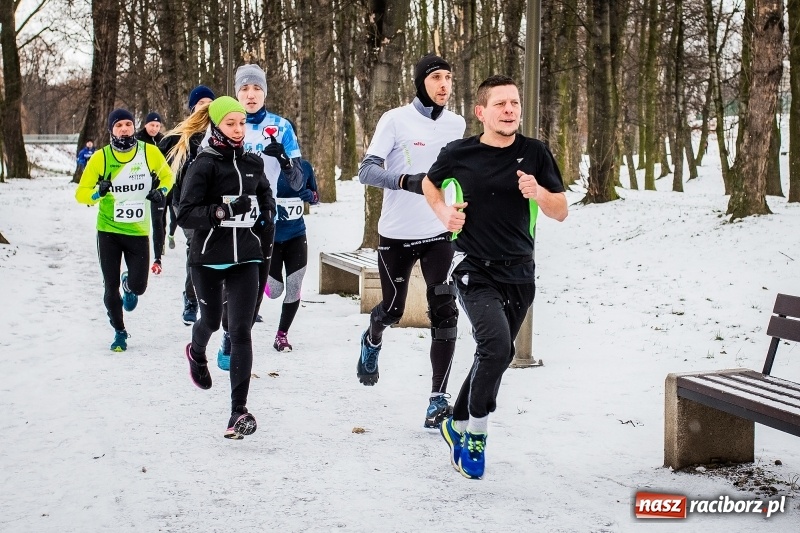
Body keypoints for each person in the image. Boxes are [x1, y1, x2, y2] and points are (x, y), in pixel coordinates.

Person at [422, 74, 568, 479]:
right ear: (481, 112)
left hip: (520, 271)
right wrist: (443, 213)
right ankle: (475, 435)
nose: (509, 111)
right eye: (501, 104)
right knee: (497, 344)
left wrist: (538, 192)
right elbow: (429, 184)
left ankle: (454, 420)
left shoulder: (536, 153)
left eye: (515, 104)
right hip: (472, 266)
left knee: (497, 354)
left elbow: (560, 210)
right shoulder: (458, 153)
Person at [356, 53, 466, 429]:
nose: (444, 85)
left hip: (439, 233)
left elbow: (461, 175)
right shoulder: (395, 119)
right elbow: (366, 171)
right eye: (437, 77)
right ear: (422, 83)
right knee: (393, 310)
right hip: (397, 234)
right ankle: (372, 338)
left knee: (444, 309)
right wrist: (406, 181)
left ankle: (438, 399)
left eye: (449, 77)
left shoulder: (457, 124)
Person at [173, 96, 275, 439]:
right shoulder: (203, 165)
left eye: (242, 123)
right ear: (216, 125)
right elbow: (184, 213)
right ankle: (196, 351)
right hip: (207, 258)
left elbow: (264, 193)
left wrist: (267, 216)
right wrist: (222, 212)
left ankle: (238, 411)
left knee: (241, 331)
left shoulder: (252, 162)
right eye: (230, 123)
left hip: (245, 257)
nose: (237, 129)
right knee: (212, 322)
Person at [216, 64, 307, 370]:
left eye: (256, 89)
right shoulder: (223, 124)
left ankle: (238, 331)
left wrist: (283, 157)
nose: (251, 95)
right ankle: (229, 335)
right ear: (236, 92)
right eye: (244, 89)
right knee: (232, 281)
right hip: (232, 216)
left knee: (255, 290)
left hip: (265, 217)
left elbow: (298, 183)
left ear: (265, 93)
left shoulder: (281, 127)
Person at [74, 109, 174, 351]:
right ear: (111, 130)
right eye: (119, 125)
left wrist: (160, 192)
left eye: (128, 124)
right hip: (108, 230)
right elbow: (81, 195)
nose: (125, 129)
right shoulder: (101, 158)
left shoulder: (149, 152)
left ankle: (129, 284)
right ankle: (119, 331)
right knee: (110, 287)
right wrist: (99, 191)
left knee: (139, 286)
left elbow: (168, 177)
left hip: (138, 231)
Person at [159, 85, 216, 325]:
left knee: (221, 249)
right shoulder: (178, 138)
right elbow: (158, 167)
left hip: (215, 203)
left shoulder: (222, 132)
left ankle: (232, 301)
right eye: (200, 104)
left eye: (209, 103)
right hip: (186, 203)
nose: (205, 108)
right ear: (192, 108)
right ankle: (191, 299)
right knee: (197, 246)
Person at [266, 156, 319, 352]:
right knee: (275, 291)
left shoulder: (304, 166)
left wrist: (310, 196)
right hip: (269, 238)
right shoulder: (264, 164)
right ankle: (260, 281)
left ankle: (282, 335)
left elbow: (315, 196)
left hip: (296, 235)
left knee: (294, 287)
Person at [135, 112, 167, 275]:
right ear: (145, 125)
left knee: (158, 221)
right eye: (151, 125)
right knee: (141, 220)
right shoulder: (137, 139)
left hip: (159, 187)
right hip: (140, 186)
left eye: (157, 125)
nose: (154, 128)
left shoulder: (163, 140)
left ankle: (157, 258)